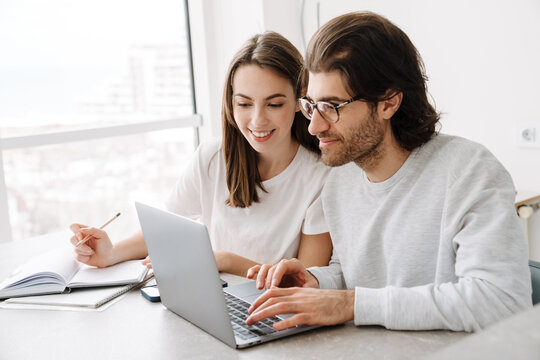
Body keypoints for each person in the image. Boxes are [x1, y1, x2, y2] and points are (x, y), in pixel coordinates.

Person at [245, 12, 532, 332]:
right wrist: (316, 280)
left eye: (331, 107)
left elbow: (501, 302)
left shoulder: (469, 173)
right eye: (311, 105)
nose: (314, 126)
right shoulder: (341, 179)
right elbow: (354, 272)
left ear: (388, 102)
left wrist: (350, 303)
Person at [69, 32, 332, 277]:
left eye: (274, 104)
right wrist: (111, 253)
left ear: (301, 100)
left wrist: (225, 261)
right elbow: (166, 228)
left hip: (274, 310)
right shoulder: (212, 157)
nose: (257, 120)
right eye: (243, 103)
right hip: (212, 296)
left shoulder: (320, 177)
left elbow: (305, 282)